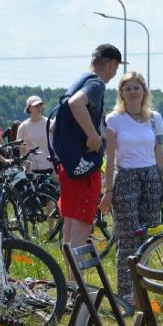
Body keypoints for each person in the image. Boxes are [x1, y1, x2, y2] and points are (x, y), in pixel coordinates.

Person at [99, 72, 163, 301]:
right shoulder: (114, 119)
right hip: (126, 178)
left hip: (150, 177)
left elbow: (159, 153)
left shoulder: (154, 118)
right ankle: (125, 291)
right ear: (121, 93)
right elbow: (110, 157)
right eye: (127, 88)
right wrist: (108, 191)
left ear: (144, 91)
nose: (132, 92)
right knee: (127, 236)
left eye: (136, 88)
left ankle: (142, 286)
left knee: (148, 235)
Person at [58, 44, 121, 252]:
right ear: (111, 63)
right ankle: (77, 283)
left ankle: (69, 283)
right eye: (116, 68)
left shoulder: (79, 80)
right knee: (81, 232)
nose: (114, 74)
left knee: (68, 232)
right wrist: (93, 136)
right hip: (84, 170)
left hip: (69, 167)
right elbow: (75, 104)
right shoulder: (96, 84)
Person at [17, 95, 54, 174]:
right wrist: (25, 166)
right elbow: (21, 152)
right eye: (36, 106)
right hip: (32, 172)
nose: (39, 107)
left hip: (51, 169)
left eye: (40, 105)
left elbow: (57, 145)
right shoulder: (23, 127)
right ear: (29, 108)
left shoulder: (50, 123)